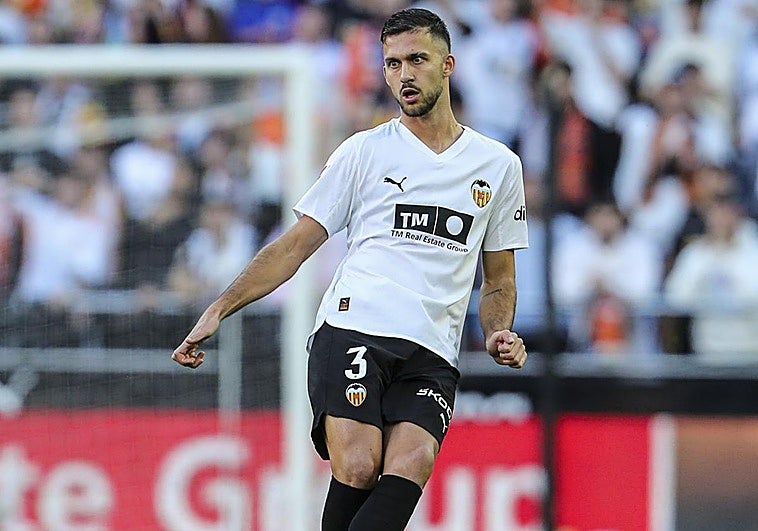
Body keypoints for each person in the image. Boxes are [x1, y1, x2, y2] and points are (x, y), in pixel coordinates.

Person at [171, 8, 528, 530]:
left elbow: (499, 279)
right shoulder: (364, 151)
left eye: (417, 60)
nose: (404, 75)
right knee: (359, 465)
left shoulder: (498, 166)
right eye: (393, 64)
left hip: (433, 348)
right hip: (356, 325)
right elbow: (293, 246)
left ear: (448, 65)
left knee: (413, 462)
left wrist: (498, 332)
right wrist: (221, 307)